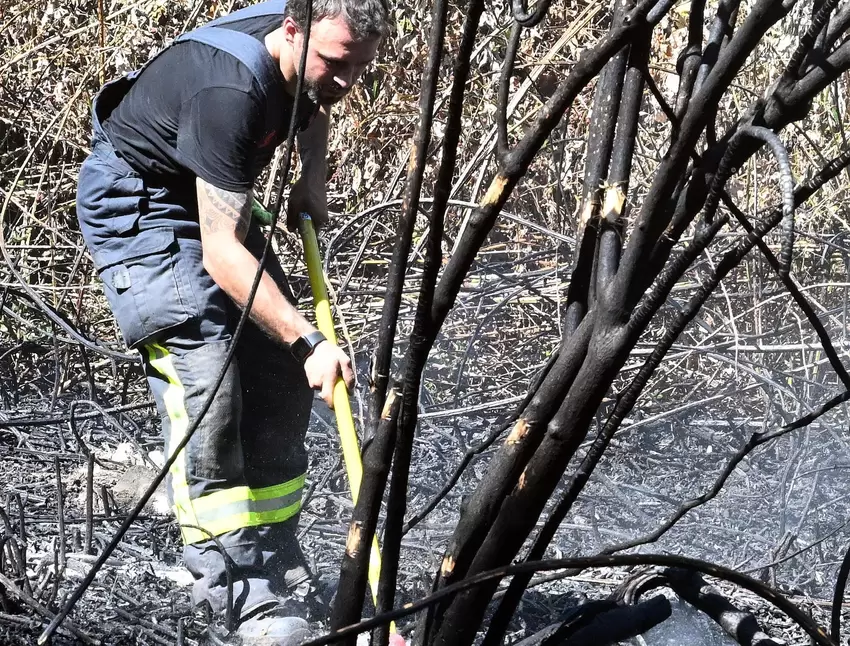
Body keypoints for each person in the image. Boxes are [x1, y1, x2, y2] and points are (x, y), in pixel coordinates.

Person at [75, 1, 389, 643]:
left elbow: (313, 97)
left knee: (276, 376)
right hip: (143, 204)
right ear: (293, 31)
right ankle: (238, 591)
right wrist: (309, 339)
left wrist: (314, 178)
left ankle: (276, 561)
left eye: (360, 68)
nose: (347, 82)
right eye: (336, 63)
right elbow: (221, 254)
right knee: (211, 377)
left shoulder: (310, 44)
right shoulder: (231, 90)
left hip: (209, 191)